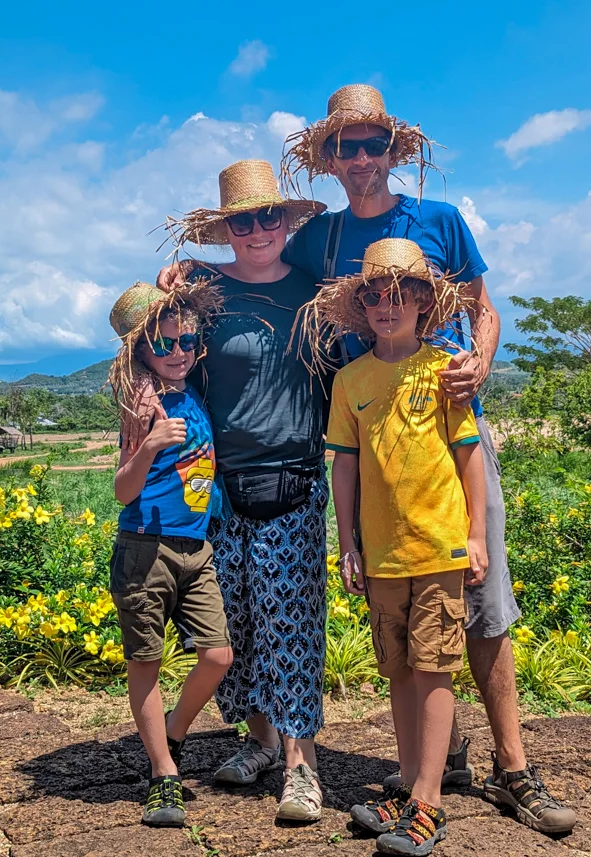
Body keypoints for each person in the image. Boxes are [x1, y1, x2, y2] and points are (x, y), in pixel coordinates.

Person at [280, 85, 576, 834]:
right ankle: (423, 772)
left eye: (371, 144)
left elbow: (484, 306)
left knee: (485, 602)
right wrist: (181, 285)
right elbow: (259, 264)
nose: (359, 160)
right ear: (328, 160)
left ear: (393, 150)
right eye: (343, 148)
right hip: (377, 465)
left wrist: (479, 360)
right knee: (407, 635)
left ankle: (512, 767)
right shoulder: (320, 240)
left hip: (452, 438)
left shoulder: (439, 220)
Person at [164, 159, 332, 822]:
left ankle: (301, 764)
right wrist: (165, 291)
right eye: (244, 219)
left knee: (293, 625)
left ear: (288, 221)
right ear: (227, 228)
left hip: (294, 478)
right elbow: (159, 350)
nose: (258, 229)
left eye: (269, 216)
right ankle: (261, 740)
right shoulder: (201, 293)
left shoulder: (316, 290)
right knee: (239, 624)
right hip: (223, 488)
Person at [314, 238, 487, 856]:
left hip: (439, 548)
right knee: (398, 670)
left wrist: (475, 535)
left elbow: (468, 459)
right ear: (362, 306)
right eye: (375, 295)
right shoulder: (350, 379)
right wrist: (347, 542)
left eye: (401, 294)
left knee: (435, 669)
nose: (388, 305)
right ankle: (412, 783)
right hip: (381, 554)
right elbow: (346, 468)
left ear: (422, 302)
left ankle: (429, 803)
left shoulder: (445, 369)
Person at [106, 280, 233, 828]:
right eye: (164, 344)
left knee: (218, 655)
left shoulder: (189, 390)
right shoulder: (142, 405)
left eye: (188, 341)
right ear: (142, 352)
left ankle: (174, 737)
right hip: (146, 548)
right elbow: (121, 490)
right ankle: (163, 776)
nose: (178, 351)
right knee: (147, 661)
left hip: (195, 548)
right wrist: (150, 443)